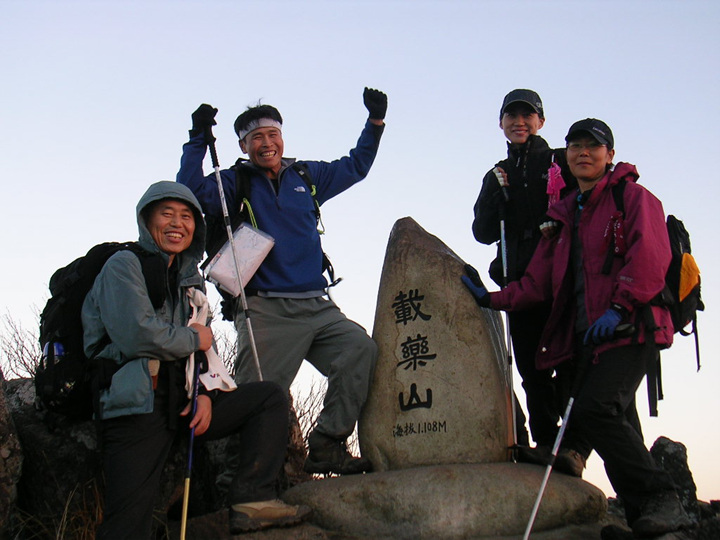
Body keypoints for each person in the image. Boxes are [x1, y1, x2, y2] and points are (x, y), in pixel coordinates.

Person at [463, 119, 692, 537]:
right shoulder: (566, 217)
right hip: (591, 338)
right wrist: (490, 298)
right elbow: (538, 283)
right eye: (575, 146)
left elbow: (650, 259)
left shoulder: (634, 198)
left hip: (631, 327)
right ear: (566, 155)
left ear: (609, 155)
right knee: (619, 420)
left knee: (594, 410)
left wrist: (620, 307)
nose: (583, 152)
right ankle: (648, 520)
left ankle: (663, 497)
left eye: (593, 146)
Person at [81, 181, 311, 539]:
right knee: (128, 523)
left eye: (187, 216)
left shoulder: (189, 282)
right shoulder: (123, 266)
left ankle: (252, 502)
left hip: (185, 401)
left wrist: (206, 393)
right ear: (147, 220)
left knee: (268, 398)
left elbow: (205, 354)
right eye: (167, 214)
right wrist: (194, 337)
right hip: (138, 405)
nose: (178, 223)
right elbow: (136, 335)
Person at [177, 87, 387, 475]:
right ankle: (243, 482)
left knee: (360, 350)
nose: (267, 143)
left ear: (282, 137)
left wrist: (374, 124)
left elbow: (356, 165)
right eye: (256, 137)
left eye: (272, 134)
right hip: (264, 309)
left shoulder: (306, 175)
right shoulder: (232, 182)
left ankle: (327, 444)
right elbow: (188, 191)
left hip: (318, 305)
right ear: (243, 145)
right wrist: (197, 140)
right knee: (255, 400)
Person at [472, 89, 576, 457]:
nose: (519, 122)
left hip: (564, 281)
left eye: (527, 115)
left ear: (541, 121)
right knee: (532, 372)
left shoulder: (560, 162)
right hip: (518, 280)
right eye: (511, 116)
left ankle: (571, 447)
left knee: (570, 366)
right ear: (501, 124)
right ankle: (546, 445)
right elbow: (482, 233)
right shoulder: (497, 174)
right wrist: (493, 202)